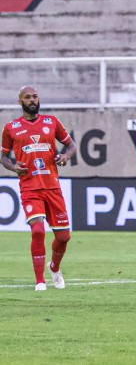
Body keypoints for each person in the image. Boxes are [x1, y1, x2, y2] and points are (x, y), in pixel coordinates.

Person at [1, 86, 77, 291]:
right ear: (20, 102)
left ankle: (54, 267)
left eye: (35, 96)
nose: (32, 100)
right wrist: (13, 166)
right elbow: (3, 156)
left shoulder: (51, 122)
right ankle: (39, 280)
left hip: (52, 187)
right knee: (37, 231)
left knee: (63, 237)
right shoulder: (11, 127)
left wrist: (65, 156)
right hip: (30, 188)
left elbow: (71, 146)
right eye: (28, 98)